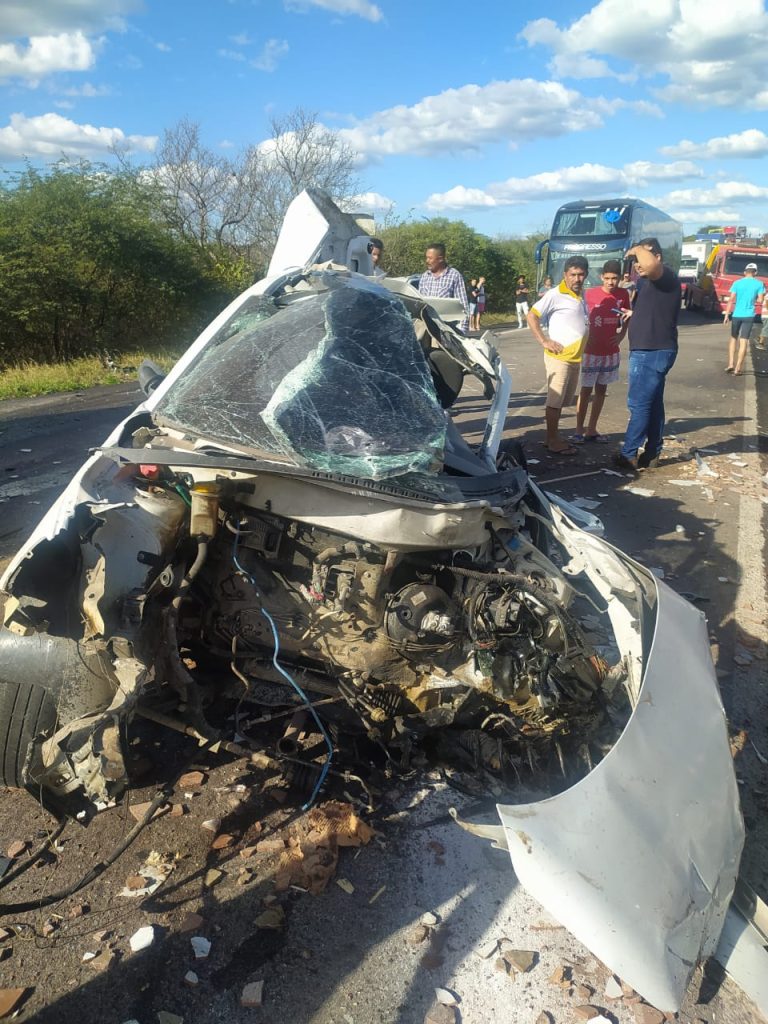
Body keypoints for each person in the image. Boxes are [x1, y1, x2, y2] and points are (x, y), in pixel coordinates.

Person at [615, 238, 681, 472]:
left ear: (658, 257)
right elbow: (657, 308)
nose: (638, 263)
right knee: (652, 403)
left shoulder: (666, 276)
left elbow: (651, 266)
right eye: (634, 260)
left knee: (639, 403)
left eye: (642, 257)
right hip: (652, 349)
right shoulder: (645, 282)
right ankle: (652, 452)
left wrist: (636, 248)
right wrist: (634, 313)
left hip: (651, 351)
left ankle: (629, 454)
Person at [527, 256, 589, 456]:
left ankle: (552, 437)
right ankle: (553, 440)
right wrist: (544, 341)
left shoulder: (581, 294)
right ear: (565, 275)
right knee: (554, 401)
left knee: (562, 401)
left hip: (575, 357)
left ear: (586, 275)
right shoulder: (555, 294)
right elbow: (532, 315)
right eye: (573, 274)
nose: (577, 279)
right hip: (559, 357)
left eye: (581, 275)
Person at [571, 260, 630, 444]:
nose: (611, 282)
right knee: (586, 391)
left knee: (601, 390)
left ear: (620, 278)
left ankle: (592, 429)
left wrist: (621, 335)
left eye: (614, 278)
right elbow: (578, 316)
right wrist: (584, 336)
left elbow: (627, 315)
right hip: (590, 352)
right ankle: (578, 430)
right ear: (601, 277)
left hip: (610, 351)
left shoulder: (623, 294)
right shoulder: (589, 294)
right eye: (607, 278)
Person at [723, 262, 764, 374]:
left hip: (736, 315)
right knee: (744, 340)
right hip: (749, 315)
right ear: (755, 272)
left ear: (745, 272)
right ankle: (738, 368)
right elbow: (760, 300)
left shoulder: (737, 283)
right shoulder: (759, 284)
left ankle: (730, 364)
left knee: (733, 338)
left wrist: (726, 315)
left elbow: (731, 299)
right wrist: (754, 298)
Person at [418, 243, 469, 332]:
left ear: (440, 259)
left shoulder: (454, 275)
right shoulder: (424, 276)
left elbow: (463, 307)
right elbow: (419, 304)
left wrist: (462, 331)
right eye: (426, 257)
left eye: (430, 258)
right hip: (427, 329)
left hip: (447, 330)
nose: (427, 261)